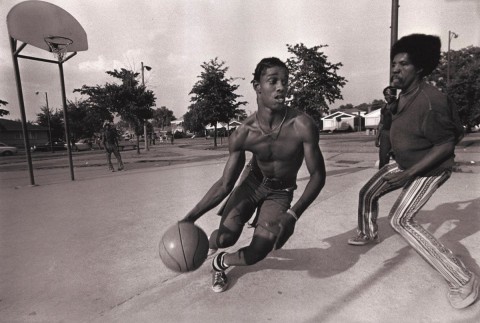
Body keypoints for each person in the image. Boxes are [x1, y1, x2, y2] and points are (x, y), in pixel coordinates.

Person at [347, 34, 477, 309]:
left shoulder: (432, 100)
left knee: (400, 220)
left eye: (403, 64)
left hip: (430, 169)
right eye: (394, 63)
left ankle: (462, 280)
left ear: (419, 68)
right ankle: (368, 232)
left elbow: (446, 145)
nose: (395, 69)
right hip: (406, 163)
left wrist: (408, 175)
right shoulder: (403, 97)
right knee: (369, 190)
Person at [181, 57, 326, 293]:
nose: (281, 87)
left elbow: (318, 175)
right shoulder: (243, 133)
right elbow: (225, 184)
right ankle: (211, 245)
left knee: (258, 252)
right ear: (257, 86)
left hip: (280, 193)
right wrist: (190, 217)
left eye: (285, 81)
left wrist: (292, 214)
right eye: (273, 81)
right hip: (252, 184)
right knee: (226, 238)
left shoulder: (302, 125)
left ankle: (221, 263)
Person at [375, 86, 397, 168]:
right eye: (385, 95)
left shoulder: (399, 105)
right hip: (385, 133)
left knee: (399, 158)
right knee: (383, 158)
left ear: (394, 94)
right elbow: (381, 122)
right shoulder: (383, 107)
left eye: (388, 94)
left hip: (396, 133)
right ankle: (382, 176)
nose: (386, 97)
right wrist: (377, 137)